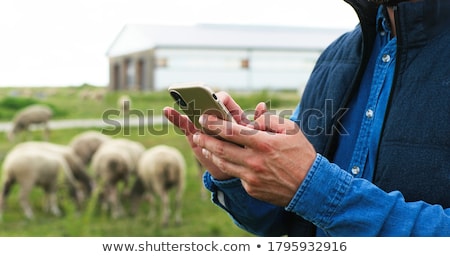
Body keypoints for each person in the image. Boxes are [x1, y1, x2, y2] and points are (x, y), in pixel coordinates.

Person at [164, 0, 450, 236]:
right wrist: (238, 170)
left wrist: (320, 191)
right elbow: (282, 220)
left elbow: (311, 190)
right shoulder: (335, 57)